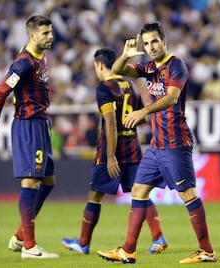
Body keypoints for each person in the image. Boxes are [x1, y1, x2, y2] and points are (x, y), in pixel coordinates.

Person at [97, 22, 216, 264]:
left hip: (175, 141)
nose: (151, 47)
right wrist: (125, 55)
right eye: (147, 43)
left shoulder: (176, 66)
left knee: (187, 193)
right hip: (156, 145)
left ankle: (206, 250)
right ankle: (128, 250)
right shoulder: (149, 67)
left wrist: (144, 112)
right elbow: (119, 70)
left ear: (165, 41)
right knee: (139, 191)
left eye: (155, 41)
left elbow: (172, 98)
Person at [61, 48, 167, 255]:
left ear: (100, 65)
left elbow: (109, 124)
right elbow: (142, 115)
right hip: (133, 147)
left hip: (112, 149)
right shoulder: (130, 85)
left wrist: (110, 156)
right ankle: (158, 237)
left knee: (95, 195)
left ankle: (83, 243)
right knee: (141, 192)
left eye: (95, 66)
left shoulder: (104, 88)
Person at [0, 15, 59, 259]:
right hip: (29, 126)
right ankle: (30, 247)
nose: (50, 36)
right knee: (30, 182)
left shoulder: (39, 57)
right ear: (32, 35)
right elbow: (0, 92)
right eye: (45, 33)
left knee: (48, 182)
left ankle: (20, 236)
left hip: (42, 124)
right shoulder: (23, 64)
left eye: (50, 32)